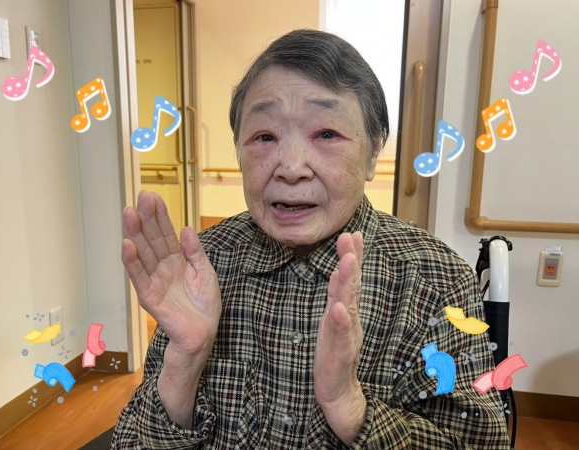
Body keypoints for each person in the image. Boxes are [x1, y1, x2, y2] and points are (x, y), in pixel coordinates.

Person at [112, 29, 510, 449]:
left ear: (374, 152)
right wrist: (186, 360)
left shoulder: (436, 279)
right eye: (265, 137)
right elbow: (129, 443)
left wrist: (349, 406)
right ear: (238, 150)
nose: (291, 167)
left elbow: (480, 442)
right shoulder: (203, 265)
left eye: (326, 134)